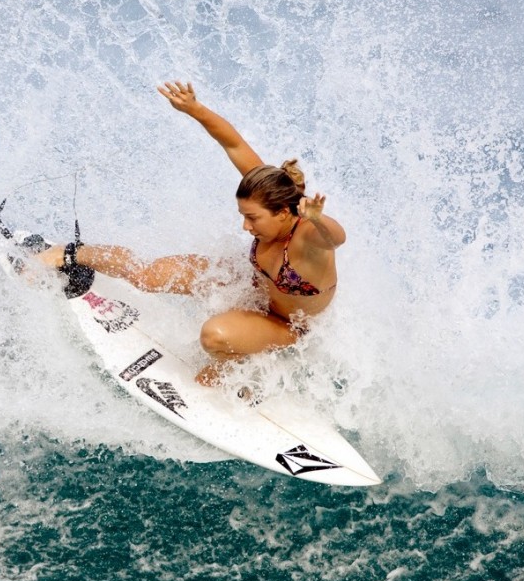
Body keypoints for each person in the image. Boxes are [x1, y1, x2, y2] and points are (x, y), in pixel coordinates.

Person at [37, 81, 346, 386]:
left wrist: (318, 219)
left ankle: (242, 357)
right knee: (148, 275)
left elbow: (335, 238)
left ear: (282, 213)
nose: (245, 227)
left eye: (252, 219)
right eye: (243, 216)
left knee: (214, 338)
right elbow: (234, 144)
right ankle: (71, 253)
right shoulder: (268, 190)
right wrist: (195, 110)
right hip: (248, 283)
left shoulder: (308, 237)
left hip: (287, 326)